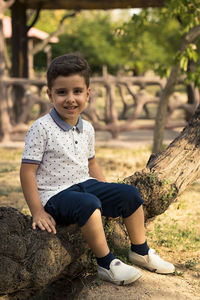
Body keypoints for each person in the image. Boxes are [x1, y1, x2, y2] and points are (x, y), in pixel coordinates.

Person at [20, 53, 175, 286]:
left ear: (88, 94)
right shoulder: (40, 128)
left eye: (77, 92)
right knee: (89, 204)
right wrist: (38, 211)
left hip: (85, 183)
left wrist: (106, 188)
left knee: (130, 194)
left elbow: (91, 163)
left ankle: (140, 250)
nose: (70, 99)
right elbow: (27, 172)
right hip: (55, 194)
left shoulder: (88, 128)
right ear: (49, 94)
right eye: (62, 92)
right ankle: (107, 264)